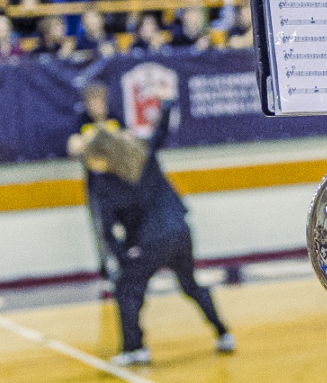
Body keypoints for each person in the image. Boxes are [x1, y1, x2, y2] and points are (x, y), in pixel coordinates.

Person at [68, 84, 233, 367]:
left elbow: (108, 230)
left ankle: (134, 348)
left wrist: (124, 255)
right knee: (190, 284)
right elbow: (161, 132)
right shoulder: (143, 153)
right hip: (180, 231)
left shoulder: (107, 183)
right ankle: (223, 333)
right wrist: (166, 104)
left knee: (127, 288)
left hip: (151, 241)